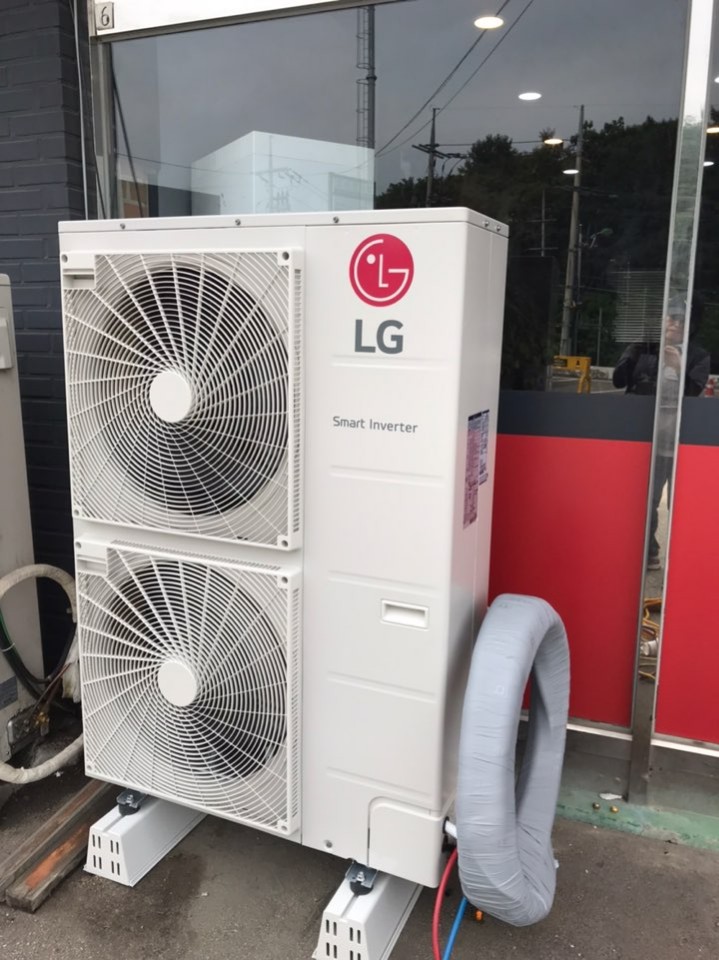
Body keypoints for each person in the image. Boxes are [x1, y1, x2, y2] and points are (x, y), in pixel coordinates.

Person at [613, 297, 709, 569]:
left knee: (678, 499)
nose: (675, 323)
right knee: (643, 496)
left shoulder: (697, 355)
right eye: (671, 317)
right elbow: (619, 381)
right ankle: (647, 548)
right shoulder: (643, 349)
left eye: (681, 320)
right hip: (640, 436)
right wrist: (634, 351)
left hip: (676, 440)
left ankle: (680, 556)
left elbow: (693, 394)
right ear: (662, 320)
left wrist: (678, 367)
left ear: (690, 326)